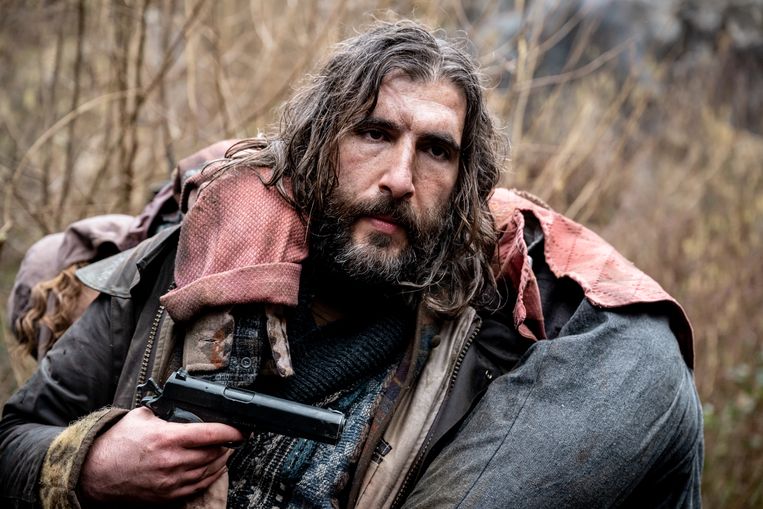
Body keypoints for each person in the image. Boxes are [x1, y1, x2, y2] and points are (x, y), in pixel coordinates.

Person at [0, 20, 702, 509]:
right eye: (373, 133)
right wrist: (89, 462)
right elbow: (15, 439)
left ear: (463, 186)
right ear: (317, 148)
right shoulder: (190, 266)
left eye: (436, 151)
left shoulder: (477, 352)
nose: (400, 178)